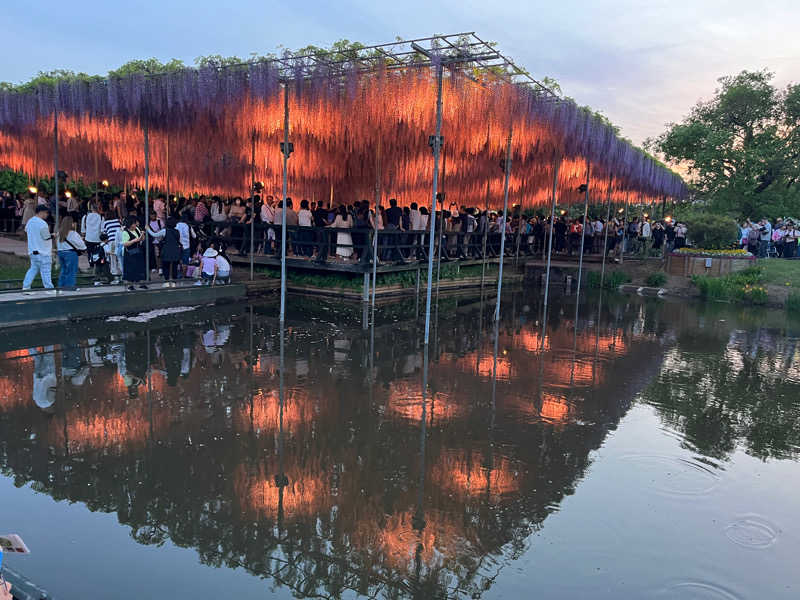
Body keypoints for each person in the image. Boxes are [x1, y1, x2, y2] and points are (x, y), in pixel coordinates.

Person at [22, 204, 55, 292]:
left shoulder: (30, 221)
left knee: (32, 270)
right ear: (41, 212)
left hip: (33, 250)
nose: (47, 215)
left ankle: (26, 288)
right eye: (46, 213)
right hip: (43, 251)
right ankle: (50, 290)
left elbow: (26, 231)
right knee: (46, 272)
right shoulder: (42, 223)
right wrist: (54, 235)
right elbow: (46, 237)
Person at [149, 216, 182, 286]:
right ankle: (174, 282)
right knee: (174, 267)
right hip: (175, 251)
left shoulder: (165, 231)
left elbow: (154, 235)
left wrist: (148, 229)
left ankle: (167, 282)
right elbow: (179, 241)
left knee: (166, 266)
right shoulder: (177, 231)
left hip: (166, 251)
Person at [56, 216, 86, 289]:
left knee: (63, 270)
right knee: (71, 270)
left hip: (61, 253)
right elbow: (81, 245)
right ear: (71, 224)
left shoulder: (59, 233)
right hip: (70, 253)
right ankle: (70, 286)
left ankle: (61, 285)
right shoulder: (73, 233)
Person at [121, 215, 147, 290]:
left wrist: (142, 235)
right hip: (130, 253)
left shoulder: (137, 229)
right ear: (130, 224)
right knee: (130, 269)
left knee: (140, 267)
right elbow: (125, 243)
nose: (136, 225)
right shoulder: (125, 232)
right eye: (134, 223)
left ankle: (141, 283)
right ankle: (130, 285)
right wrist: (134, 240)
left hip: (138, 251)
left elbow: (142, 239)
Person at [81, 202, 103, 267]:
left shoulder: (85, 217)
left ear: (91, 208)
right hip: (98, 239)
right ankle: (98, 268)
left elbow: (83, 230)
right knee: (98, 255)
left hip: (88, 238)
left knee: (90, 254)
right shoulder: (101, 217)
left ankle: (91, 266)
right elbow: (102, 230)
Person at [176, 213, 195, 277]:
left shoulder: (177, 225)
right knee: (185, 261)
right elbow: (194, 236)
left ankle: (179, 274)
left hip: (178, 245)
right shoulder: (189, 226)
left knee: (179, 260)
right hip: (186, 246)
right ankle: (184, 276)